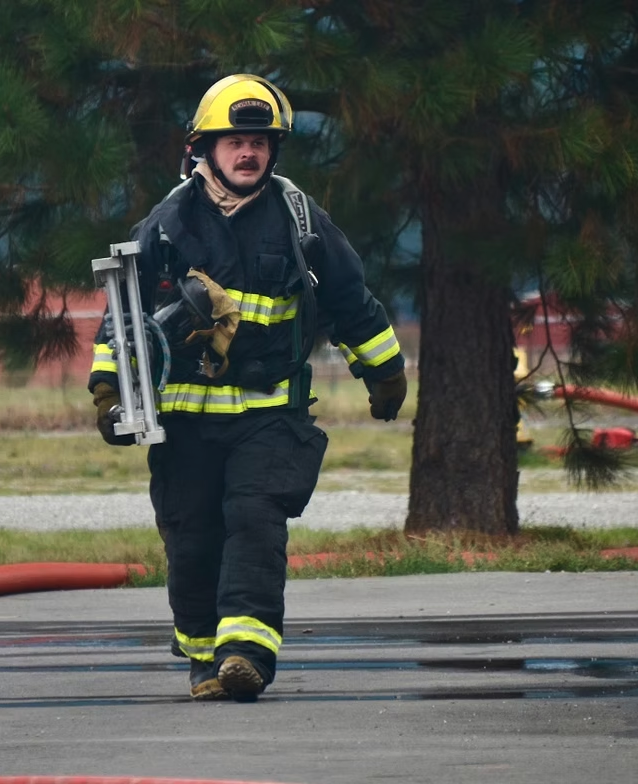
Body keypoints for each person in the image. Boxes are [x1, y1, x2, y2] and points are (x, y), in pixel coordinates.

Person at [88, 74, 407, 702]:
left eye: (259, 141)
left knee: (255, 521)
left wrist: (385, 371)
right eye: (234, 140)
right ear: (203, 149)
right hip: (184, 423)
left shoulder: (298, 218)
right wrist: (109, 389)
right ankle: (205, 659)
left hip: (269, 416)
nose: (248, 152)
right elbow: (120, 319)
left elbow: (350, 302)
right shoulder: (168, 222)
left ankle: (247, 654)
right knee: (192, 538)